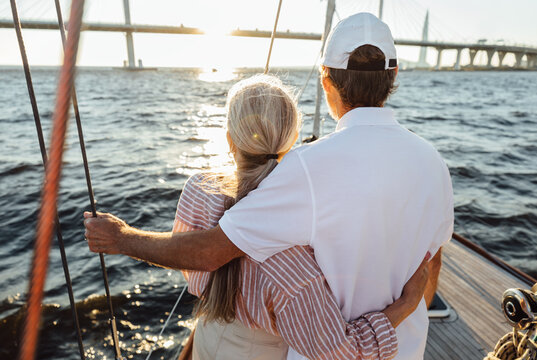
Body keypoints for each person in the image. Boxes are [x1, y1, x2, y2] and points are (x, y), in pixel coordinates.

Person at [84, 13, 454, 360]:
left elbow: (214, 251)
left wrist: (121, 237)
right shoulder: (434, 163)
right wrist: (407, 308)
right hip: (406, 346)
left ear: (326, 80)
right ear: (393, 75)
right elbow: (431, 260)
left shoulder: (305, 167)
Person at [169, 75, 430, 359]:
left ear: (230, 139)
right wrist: (407, 303)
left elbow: (190, 264)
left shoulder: (197, 190)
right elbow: (343, 352)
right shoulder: (295, 239)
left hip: (208, 332)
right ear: (293, 138)